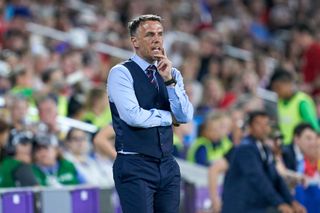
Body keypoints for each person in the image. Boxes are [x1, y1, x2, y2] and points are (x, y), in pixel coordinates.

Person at [107, 14, 193, 212]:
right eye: (150, 35)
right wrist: (168, 117)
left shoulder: (172, 73)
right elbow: (133, 117)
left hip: (168, 164)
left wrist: (169, 81)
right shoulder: (121, 73)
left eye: (160, 34)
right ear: (134, 41)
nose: (157, 39)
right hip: (135, 165)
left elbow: (185, 115)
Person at [221, 110, 306, 213]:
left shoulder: (265, 149)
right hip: (242, 207)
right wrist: (279, 203)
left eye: (266, 124)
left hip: (257, 205)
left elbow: (276, 178)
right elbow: (258, 179)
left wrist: (292, 202)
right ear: (250, 126)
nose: (263, 128)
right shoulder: (245, 148)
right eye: (258, 124)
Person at [269, 68, 319, 145]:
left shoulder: (302, 102)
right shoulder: (280, 102)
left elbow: (314, 128)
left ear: (288, 84)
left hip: (300, 150)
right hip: (286, 149)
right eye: (274, 89)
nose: (276, 92)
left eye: (278, 88)